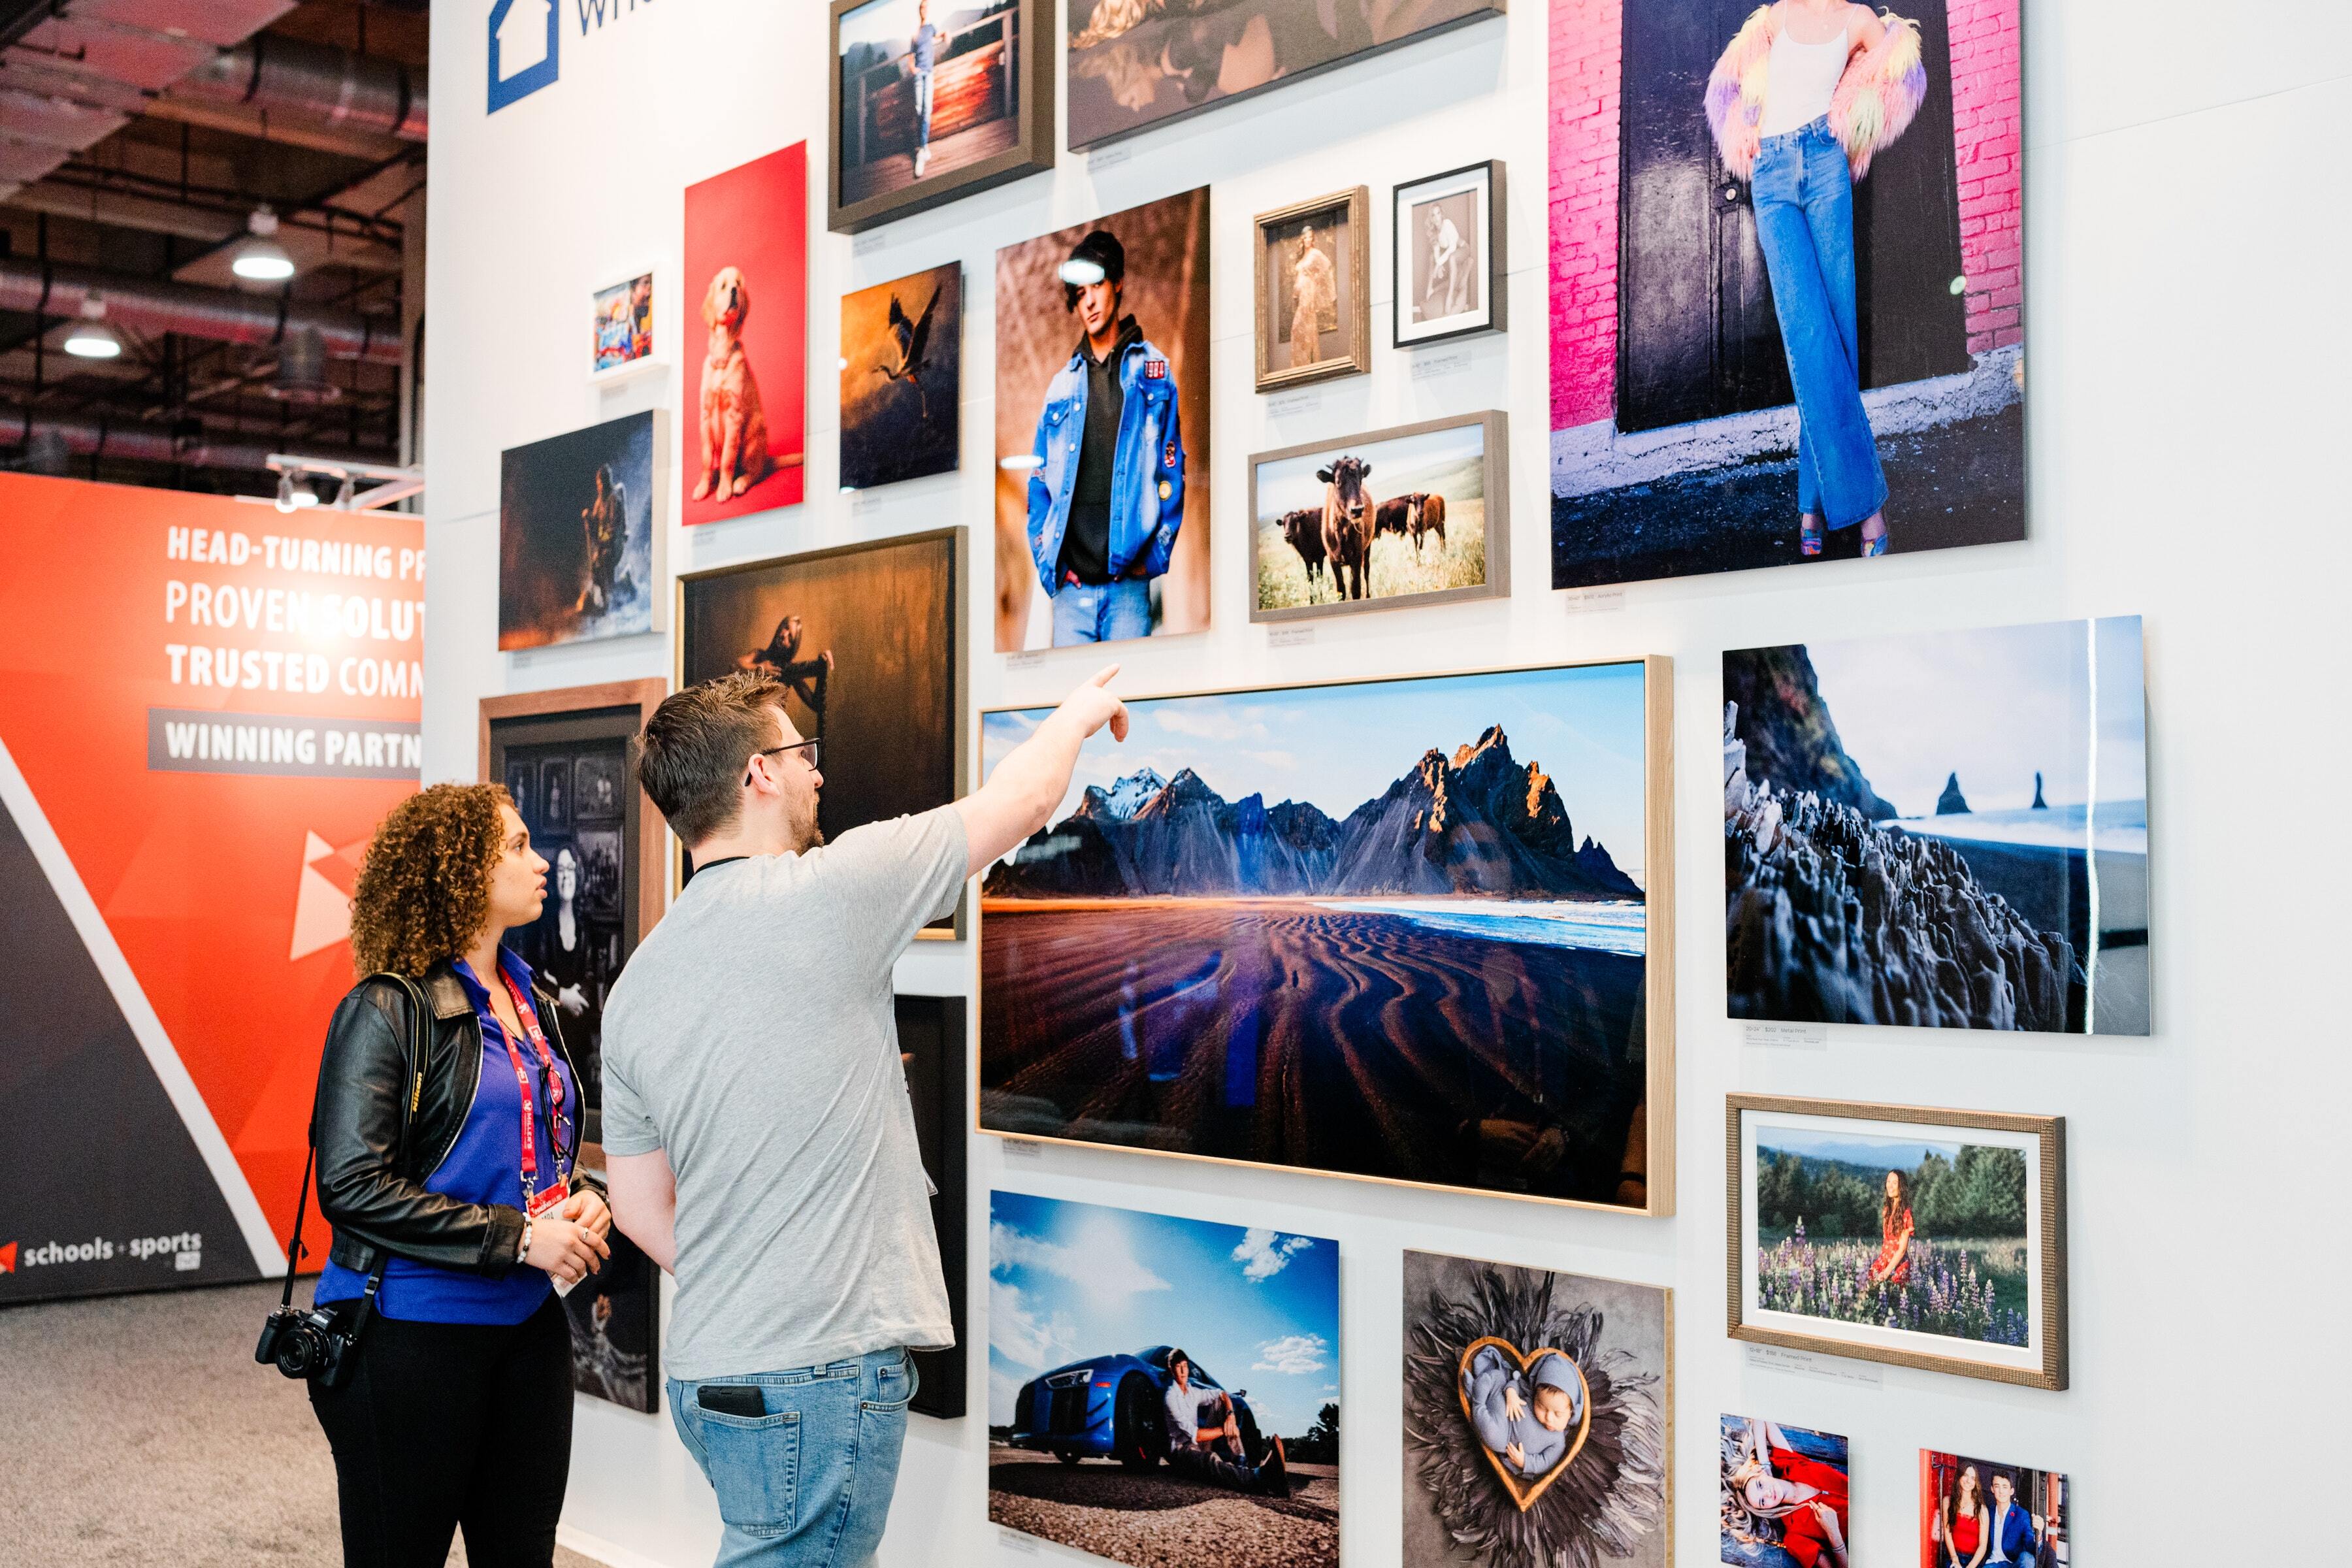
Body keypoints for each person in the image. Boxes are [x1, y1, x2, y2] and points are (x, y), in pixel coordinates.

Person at [602, 664, 1131, 1566]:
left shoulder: (636, 986)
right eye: (801, 754)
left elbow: (640, 1209)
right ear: (758, 775)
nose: (817, 773)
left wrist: (754, 1272)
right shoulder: (831, 891)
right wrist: (1081, 710)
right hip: (814, 1378)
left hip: (707, 1370)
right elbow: (1023, 800)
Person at [306, 783, 614, 1568]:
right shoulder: (386, 1009)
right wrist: (521, 1240)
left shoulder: (531, 999)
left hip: (529, 1329)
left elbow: (533, 1147)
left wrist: (583, 1200)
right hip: (409, 1335)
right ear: (460, 872)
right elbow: (351, 1187)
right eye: (517, 847)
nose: (541, 862)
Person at [1707, 0, 1927, 559]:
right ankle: (1868, 508)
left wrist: (1854, 112)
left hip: (1826, 162)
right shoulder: (1776, 17)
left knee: (1836, 333)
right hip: (1772, 174)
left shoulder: (1858, 20)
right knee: (1807, 333)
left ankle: (1811, 502)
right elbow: (1727, 87)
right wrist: (1744, 127)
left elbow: (1903, 72)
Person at [1022, 229, 1186, 646]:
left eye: (1096, 286)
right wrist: (1050, 565)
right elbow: (1038, 484)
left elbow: (1171, 468)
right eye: (1080, 294)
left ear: (1117, 284)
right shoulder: (1060, 387)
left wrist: (1155, 556)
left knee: (1129, 689)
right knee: (1074, 693)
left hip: (1128, 590)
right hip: (1071, 595)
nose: (1090, 302)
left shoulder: (1154, 373)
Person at [1161, 1349, 1288, 1497]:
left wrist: (1230, 1416)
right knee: (1210, 1459)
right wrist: (1226, 1429)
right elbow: (1195, 1435)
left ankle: (1240, 1460)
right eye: (1178, 1367)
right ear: (1171, 1369)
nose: (1183, 1371)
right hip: (1181, 1451)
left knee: (1219, 1403)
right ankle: (1260, 1478)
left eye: (1185, 1366)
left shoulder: (1193, 1392)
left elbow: (1221, 1393)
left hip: (1198, 1445)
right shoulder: (1170, 1398)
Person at [1723, 1419, 1849, 1568]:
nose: (1767, 1494)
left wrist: (1765, 1465)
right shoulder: (1795, 1537)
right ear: (1765, 1510)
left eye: (1760, 1485)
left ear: (1760, 1472)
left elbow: (1761, 1419)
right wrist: (1834, 1533)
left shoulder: (1791, 1464)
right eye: (1762, 1502)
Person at [1462, 1345, 1581, 1478]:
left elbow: (1545, 1463)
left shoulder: (1558, 1442)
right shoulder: (1531, 1397)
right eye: (1541, 1407)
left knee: (1492, 1436)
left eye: (1558, 1414)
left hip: (1505, 1436)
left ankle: (1477, 1402)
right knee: (1499, 1377)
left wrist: (1525, 1461)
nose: (1549, 1417)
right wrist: (1511, 1393)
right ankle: (1479, 1391)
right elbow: (1516, 1383)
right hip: (1502, 1404)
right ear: (1536, 1396)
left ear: (1571, 1413)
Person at [579, 462, 627, 613]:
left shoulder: (614, 499)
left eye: (602, 483)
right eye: (598, 484)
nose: (600, 487)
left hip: (614, 544)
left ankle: (610, 600)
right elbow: (595, 520)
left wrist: (603, 542)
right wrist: (588, 517)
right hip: (604, 544)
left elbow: (615, 528)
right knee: (595, 566)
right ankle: (606, 596)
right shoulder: (600, 501)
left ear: (607, 482)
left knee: (605, 562)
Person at [1288, 223, 1333, 368]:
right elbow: (1299, 276)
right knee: (1300, 328)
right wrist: (1295, 293)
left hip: (1309, 291)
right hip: (1302, 293)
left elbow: (1326, 266)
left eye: (1310, 237)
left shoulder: (1315, 254)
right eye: (1306, 237)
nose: (1308, 240)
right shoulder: (1303, 256)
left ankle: (1307, 360)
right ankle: (1302, 363)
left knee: (1303, 325)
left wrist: (1315, 279)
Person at [1982, 1471, 2043, 1567]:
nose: (2001, 1491)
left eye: (2005, 1487)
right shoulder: (1988, 1512)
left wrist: (2038, 1534)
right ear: (1992, 1489)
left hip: (2013, 1563)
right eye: (1997, 1486)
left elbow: (2031, 1548)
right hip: (1992, 1564)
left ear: (2012, 1491)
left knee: (2028, 1559)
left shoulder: (2021, 1515)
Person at [907, 0, 939, 178]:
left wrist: (946, 35)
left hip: (930, 73)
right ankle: (923, 148)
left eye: (926, 7)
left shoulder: (931, 28)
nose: (924, 10)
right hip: (919, 74)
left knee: (927, 110)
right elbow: (911, 55)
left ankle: (923, 148)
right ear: (919, 11)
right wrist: (912, 68)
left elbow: (939, 36)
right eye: (922, 7)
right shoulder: (916, 32)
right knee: (919, 109)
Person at [1868, 1168, 1914, 1288]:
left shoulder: (1906, 1213)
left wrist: (1886, 1272)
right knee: (1868, 1288)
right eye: (1888, 1182)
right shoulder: (1887, 1210)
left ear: (1901, 1187)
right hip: (1884, 1259)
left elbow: (1902, 1250)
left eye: (1895, 1183)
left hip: (1898, 1264)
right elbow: (1886, 1241)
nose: (1890, 1186)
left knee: (1892, 1295)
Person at [1422, 202, 1467, 319]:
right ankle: (1430, 289)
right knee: (1432, 256)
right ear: (1431, 218)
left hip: (1463, 248)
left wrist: (1439, 265)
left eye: (1438, 213)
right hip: (1452, 252)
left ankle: (1449, 297)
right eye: (1433, 215)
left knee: (1451, 258)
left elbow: (1452, 247)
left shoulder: (1447, 224)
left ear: (1442, 214)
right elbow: (1437, 251)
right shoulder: (1433, 232)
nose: (1437, 218)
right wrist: (1439, 264)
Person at [1940, 1463, 1989, 1568]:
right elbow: (1947, 1533)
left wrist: (1970, 1567)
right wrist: (1955, 1559)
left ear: (1976, 1483)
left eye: (1973, 1478)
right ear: (1959, 1476)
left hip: (1974, 1560)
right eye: (1965, 1475)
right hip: (1953, 1557)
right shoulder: (1947, 1502)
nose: (1968, 1481)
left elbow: (1983, 1546)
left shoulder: (1982, 1510)